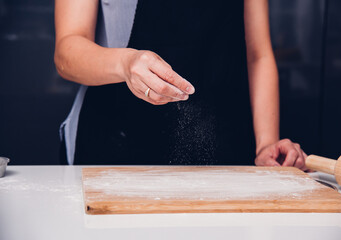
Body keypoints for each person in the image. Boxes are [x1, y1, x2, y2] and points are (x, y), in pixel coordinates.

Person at [54, 0, 307, 170]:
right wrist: (125, 63)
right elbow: (67, 51)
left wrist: (266, 145)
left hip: (225, 155)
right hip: (116, 148)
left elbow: (258, 54)